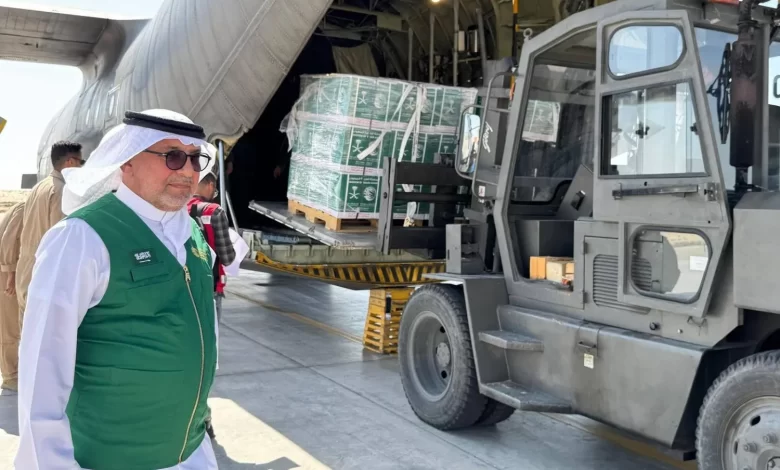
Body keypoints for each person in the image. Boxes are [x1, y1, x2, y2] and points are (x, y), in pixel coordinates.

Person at [15, 109, 219, 470]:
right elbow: (42, 368)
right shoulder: (81, 237)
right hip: (109, 457)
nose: (188, 171)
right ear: (127, 161)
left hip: (189, 454)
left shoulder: (192, 233)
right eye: (173, 156)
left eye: (194, 158)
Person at [15, 141, 83, 324]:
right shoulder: (61, 191)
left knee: (27, 334)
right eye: (80, 162)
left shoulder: (38, 187)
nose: (81, 167)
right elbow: (60, 242)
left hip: (25, 271)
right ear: (70, 162)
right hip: (43, 275)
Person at [188, 171, 236, 324]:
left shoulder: (176, 208)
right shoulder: (214, 212)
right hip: (209, 285)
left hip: (183, 284)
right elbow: (227, 258)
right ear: (210, 185)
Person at [0, 201, 24, 392]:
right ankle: (10, 375)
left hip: (13, 271)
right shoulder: (25, 208)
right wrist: (10, 272)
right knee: (9, 326)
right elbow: (9, 240)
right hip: (7, 273)